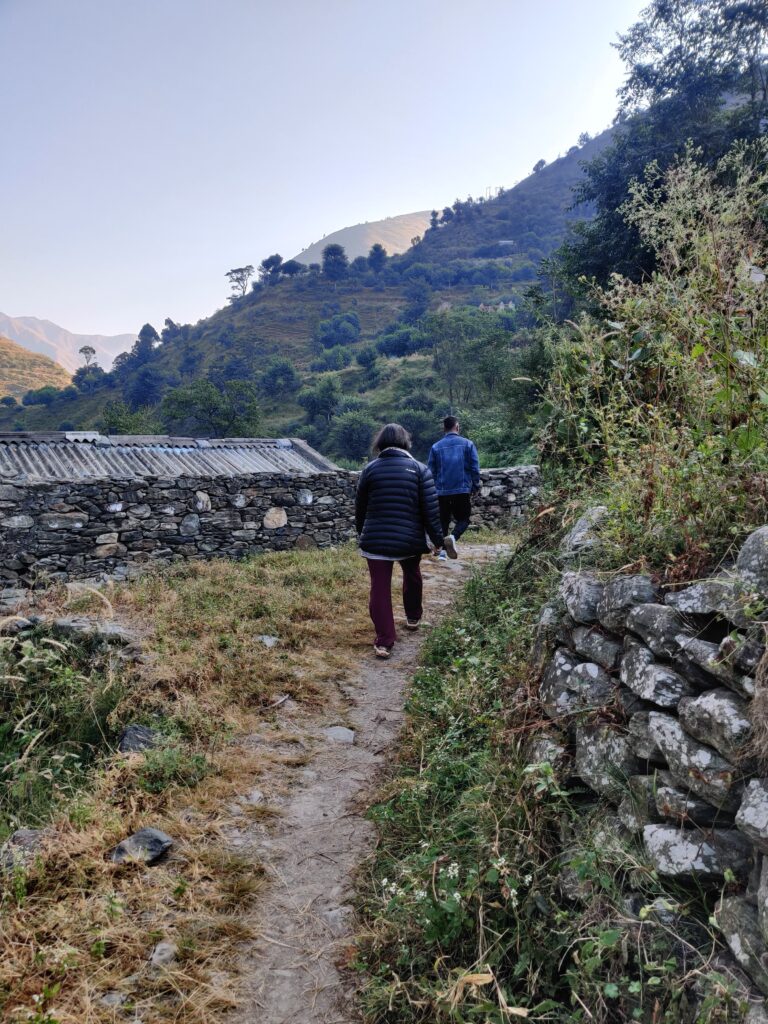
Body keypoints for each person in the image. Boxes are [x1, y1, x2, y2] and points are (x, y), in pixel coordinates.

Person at [355, 422, 453, 659]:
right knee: (412, 574)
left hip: (375, 540)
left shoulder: (370, 469)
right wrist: (437, 540)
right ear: (405, 442)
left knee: (379, 588)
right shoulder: (419, 470)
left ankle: (384, 641)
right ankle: (413, 617)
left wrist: (363, 534)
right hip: (409, 540)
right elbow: (431, 510)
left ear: (380, 443)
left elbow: (360, 507)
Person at [427, 415, 481, 560]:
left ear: (444, 428)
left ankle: (443, 553)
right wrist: (475, 485)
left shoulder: (435, 447)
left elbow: (430, 472)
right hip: (462, 489)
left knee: (443, 521)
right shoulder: (468, 444)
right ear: (457, 427)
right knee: (464, 519)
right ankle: (453, 536)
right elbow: (475, 468)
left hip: (441, 491)